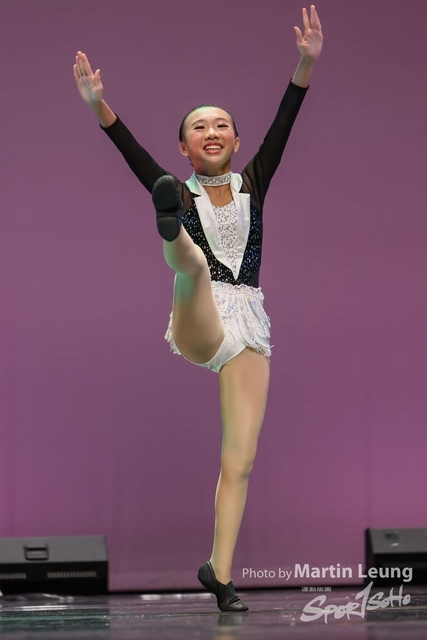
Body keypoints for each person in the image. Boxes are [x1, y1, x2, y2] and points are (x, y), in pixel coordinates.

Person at [73, 5, 323, 612]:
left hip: (248, 322)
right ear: (183, 148)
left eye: (221, 125)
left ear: (236, 141)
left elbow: (285, 121)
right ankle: (173, 237)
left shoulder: (253, 181)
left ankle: (220, 572)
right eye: (198, 128)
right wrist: (98, 105)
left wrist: (305, 65)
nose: (211, 132)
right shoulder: (180, 187)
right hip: (199, 317)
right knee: (190, 266)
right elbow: (130, 149)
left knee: (241, 459)